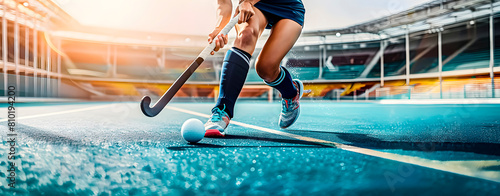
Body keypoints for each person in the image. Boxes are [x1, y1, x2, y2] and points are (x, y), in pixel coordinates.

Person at [204, 0, 305, 137]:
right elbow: (224, 3)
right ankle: (223, 110)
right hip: (257, 6)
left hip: (288, 6)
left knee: (265, 69)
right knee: (246, 34)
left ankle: (291, 93)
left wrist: (247, 1)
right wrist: (220, 29)